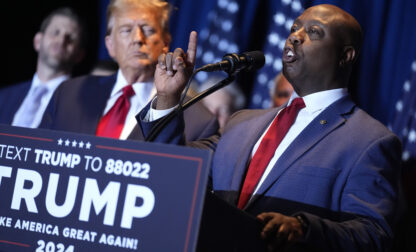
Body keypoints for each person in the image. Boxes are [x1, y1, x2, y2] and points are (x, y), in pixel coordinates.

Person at [138, 4, 402, 251]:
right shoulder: (242, 123)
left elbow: (374, 234)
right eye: (294, 28)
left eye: (313, 32)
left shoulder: (370, 141)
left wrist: (302, 228)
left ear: (347, 55)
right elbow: (174, 168)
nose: (295, 37)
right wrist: (168, 97)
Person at [40, 0, 218, 141]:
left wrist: (167, 100)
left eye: (148, 30)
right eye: (126, 30)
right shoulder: (68, 95)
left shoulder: (199, 120)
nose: (138, 39)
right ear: (110, 45)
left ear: (166, 43)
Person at [0, 7, 85, 128]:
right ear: (38, 41)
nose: (61, 40)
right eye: (55, 32)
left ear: (79, 55)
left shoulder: (82, 106)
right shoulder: (4, 97)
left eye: (70, 38)